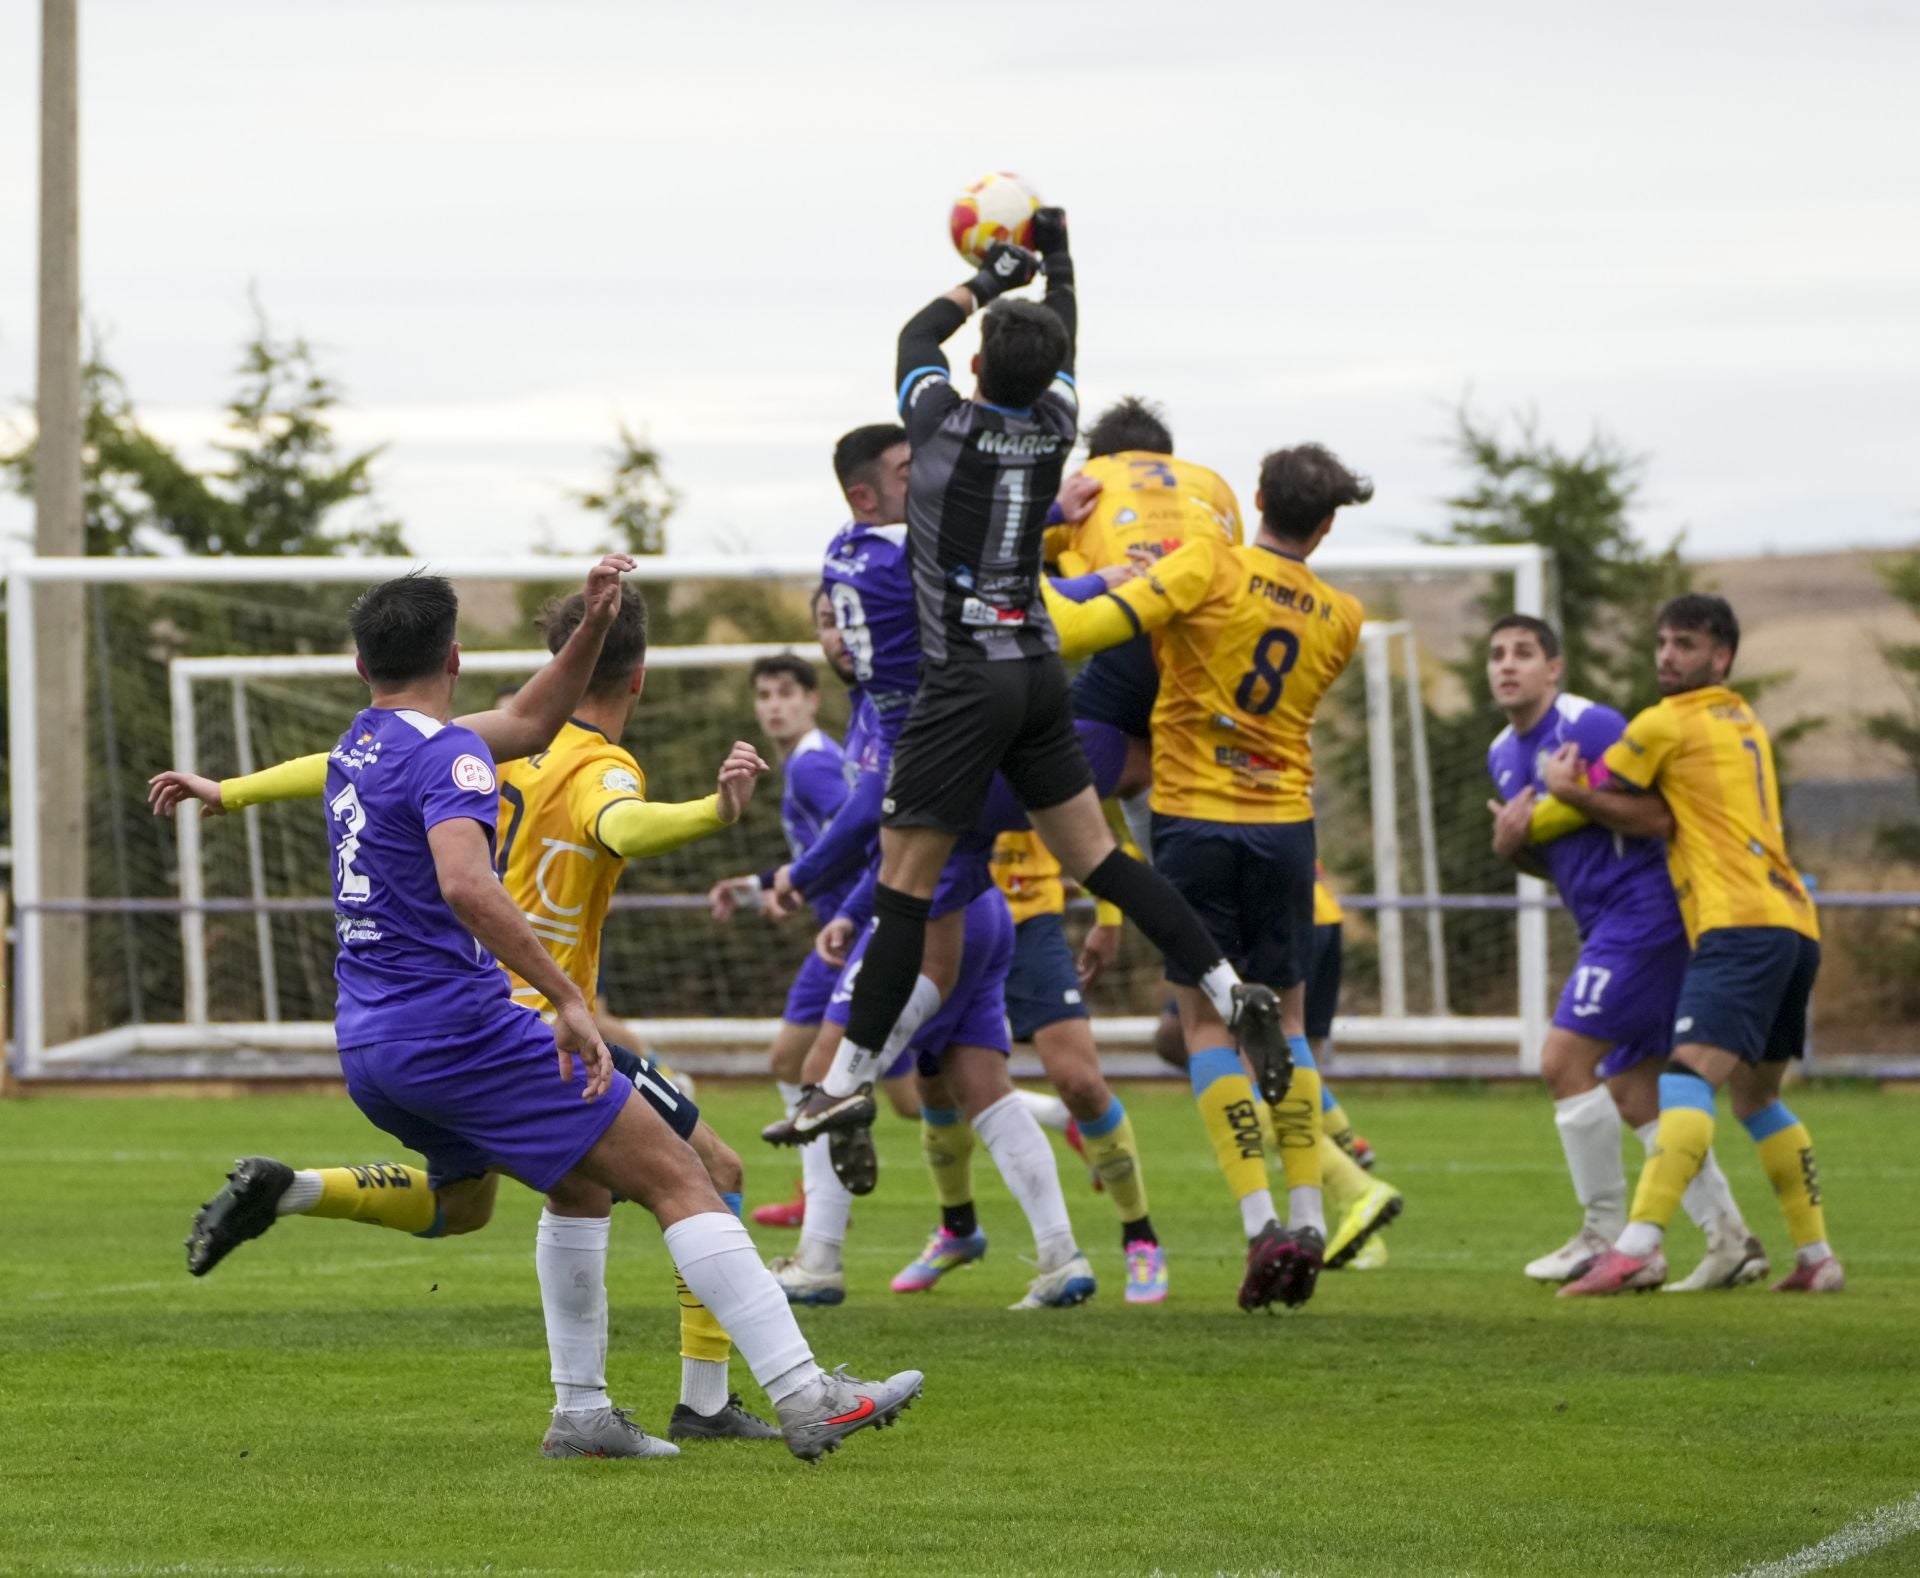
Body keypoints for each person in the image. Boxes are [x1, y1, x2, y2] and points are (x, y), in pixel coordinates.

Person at [164, 561, 921, 1460]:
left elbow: (528, 718)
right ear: (454, 655)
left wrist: (593, 621)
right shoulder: (449, 753)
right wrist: (568, 997)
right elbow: (466, 882)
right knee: (687, 1177)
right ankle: (807, 1394)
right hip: (467, 1031)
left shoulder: (362, 749)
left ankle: (582, 1414)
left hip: (371, 1045)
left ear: (362, 666)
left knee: (518, 1195)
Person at [789, 216, 1289, 1215]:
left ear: (975, 364)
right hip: (1034, 670)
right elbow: (1057, 337)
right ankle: (1232, 991)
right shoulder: (1057, 427)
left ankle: (839, 1085)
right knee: (1105, 860)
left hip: (963, 681)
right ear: (1054, 373)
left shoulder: (940, 426)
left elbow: (912, 342)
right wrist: (1054, 264)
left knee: (900, 888)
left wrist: (986, 276)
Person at [1054, 443, 1377, 1308]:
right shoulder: (1343, 616)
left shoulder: (1207, 564)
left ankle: (1260, 1221)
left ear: (1258, 497)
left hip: (1196, 820)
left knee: (1205, 1025)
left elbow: (1086, 630)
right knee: (1294, 1024)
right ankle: (1311, 1213)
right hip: (1287, 830)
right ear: (1330, 520)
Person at [1546, 595, 1840, 1297]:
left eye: (1686, 645)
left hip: (1738, 926)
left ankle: (1635, 1245)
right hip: (1795, 921)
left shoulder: (1663, 723)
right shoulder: (1745, 721)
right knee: (1756, 1099)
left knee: (1680, 1080)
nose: (1668, 656)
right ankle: (1817, 1256)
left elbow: (1607, 796)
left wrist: (1553, 797)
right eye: (1664, 642)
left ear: (1721, 657)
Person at [1484, 614, 1764, 1290]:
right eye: (1496, 655)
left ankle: (1602, 1235)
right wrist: (1510, 846)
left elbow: (1662, 818)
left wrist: (1572, 792)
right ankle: (1731, 1240)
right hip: (1604, 922)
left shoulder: (1592, 726)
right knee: (1636, 1089)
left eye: (1524, 653)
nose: (1507, 665)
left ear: (1555, 668)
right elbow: (1554, 860)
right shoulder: (1500, 752)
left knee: (1562, 1060)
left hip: (1647, 914)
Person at [897, 824, 1167, 1305]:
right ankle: (958, 1228)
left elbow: (1098, 819)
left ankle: (1140, 1238)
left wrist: (1109, 916)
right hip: (953, 917)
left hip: (1031, 924)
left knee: (1079, 1082)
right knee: (933, 1084)